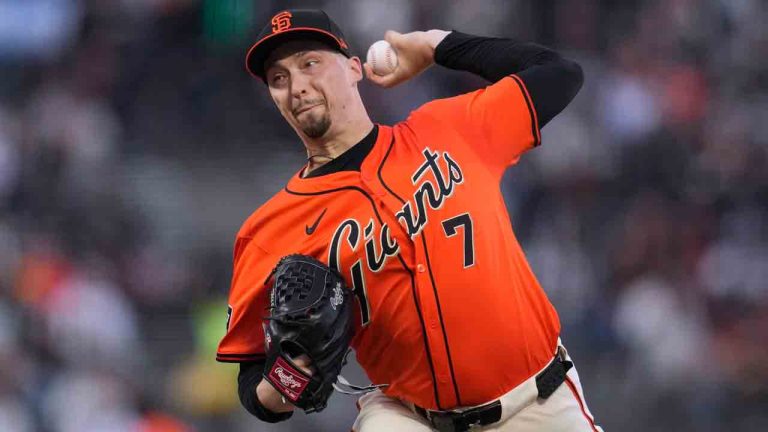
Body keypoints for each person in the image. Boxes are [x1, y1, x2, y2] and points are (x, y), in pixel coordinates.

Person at [216, 8, 601, 432]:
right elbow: (253, 379)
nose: (298, 87)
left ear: (353, 68)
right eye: (279, 78)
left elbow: (559, 73)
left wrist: (437, 45)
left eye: (310, 64)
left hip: (537, 402)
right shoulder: (269, 231)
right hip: (409, 417)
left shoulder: (450, 130)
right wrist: (287, 380)